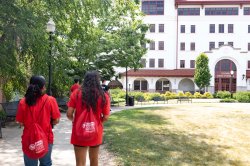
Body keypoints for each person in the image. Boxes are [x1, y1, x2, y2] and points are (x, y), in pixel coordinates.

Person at [67, 71, 110, 166]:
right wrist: (99, 121)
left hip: (79, 131)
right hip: (95, 131)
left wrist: (75, 121)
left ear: (85, 80)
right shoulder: (103, 96)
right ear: (97, 81)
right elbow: (106, 116)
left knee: (80, 163)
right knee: (94, 161)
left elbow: (69, 113)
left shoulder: (76, 93)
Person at [16, 75, 61, 166]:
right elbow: (56, 120)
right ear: (43, 87)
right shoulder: (50, 100)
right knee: (46, 163)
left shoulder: (23, 102)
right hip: (46, 138)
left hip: (29, 139)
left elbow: (20, 122)